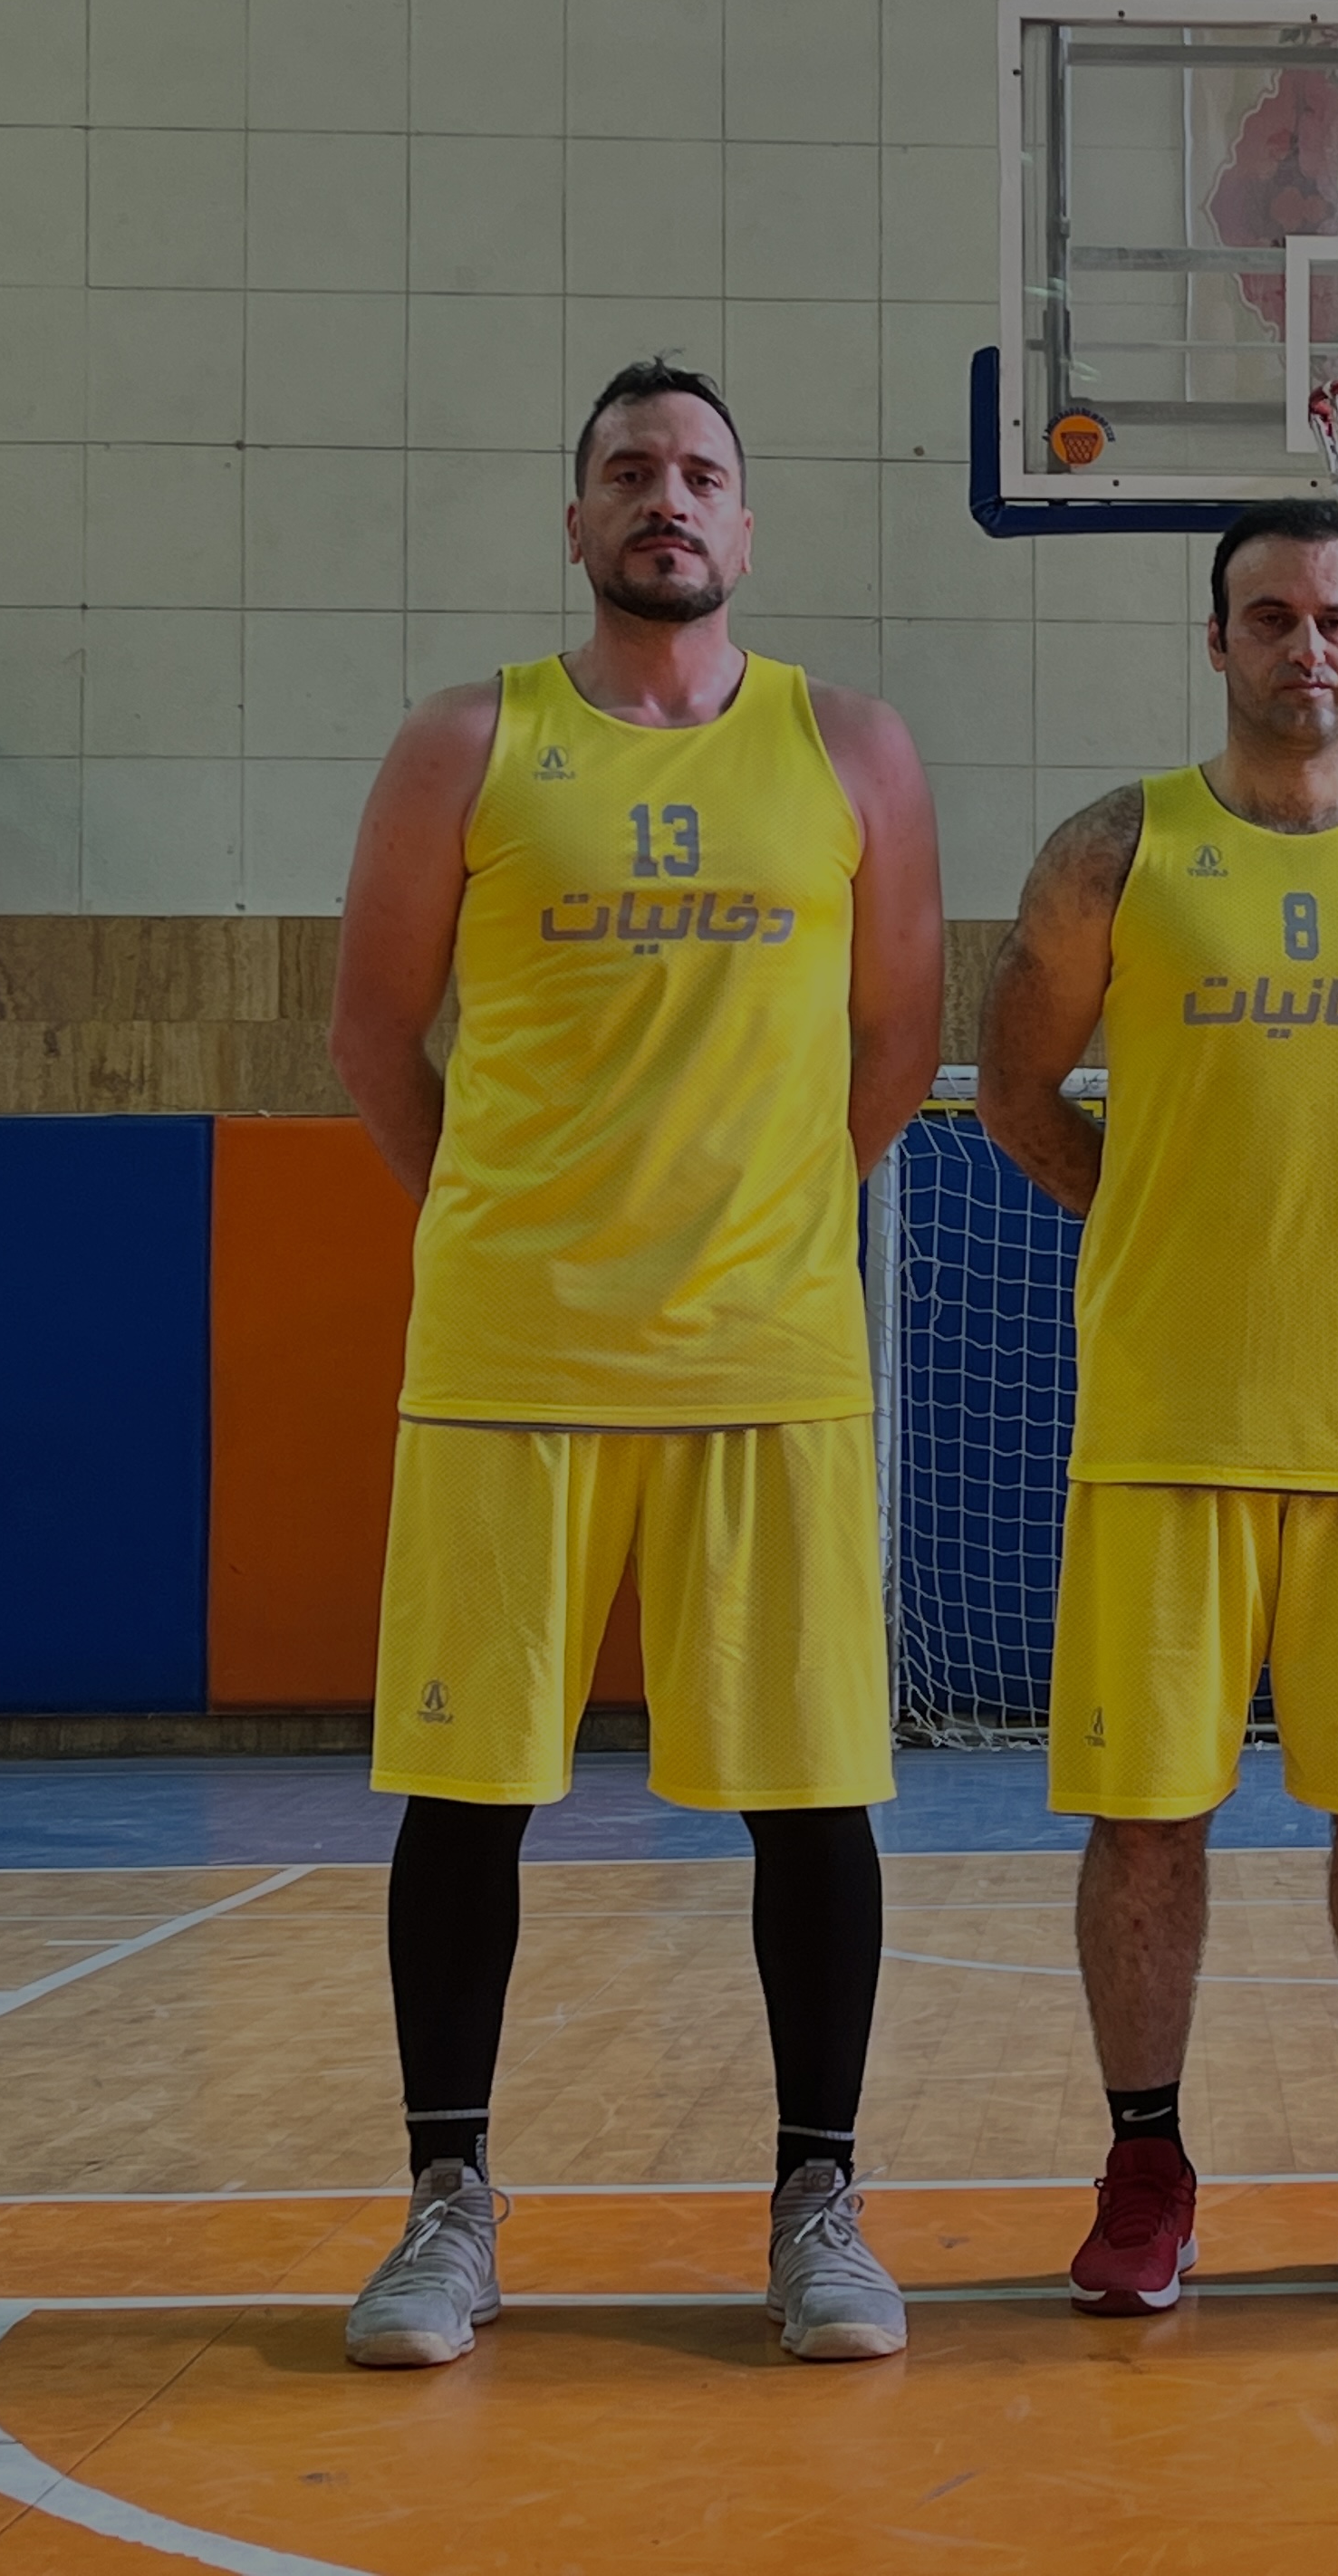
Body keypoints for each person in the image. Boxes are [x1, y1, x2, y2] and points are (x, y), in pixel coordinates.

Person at [325, 360, 945, 2368]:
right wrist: (501, 1218)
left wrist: (765, 1221)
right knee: (467, 1789)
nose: (664, 497)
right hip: (509, 1352)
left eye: (698, 473)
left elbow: (896, 1046)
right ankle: (447, 2203)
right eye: (627, 471)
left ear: (744, 526)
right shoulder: (465, 743)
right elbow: (372, 1037)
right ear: (577, 519)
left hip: (768, 1351)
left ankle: (818, 2199)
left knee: (811, 1794)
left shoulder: (851, 748)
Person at [977, 499, 1338, 2317]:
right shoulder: (1115, 849)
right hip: (1166, 1418)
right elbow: (1012, 1089)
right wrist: (1152, 1213)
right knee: (1147, 1818)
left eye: (1336, 618)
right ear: (1216, 640)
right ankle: (1146, 2162)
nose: (1309, 645)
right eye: (1272, 615)